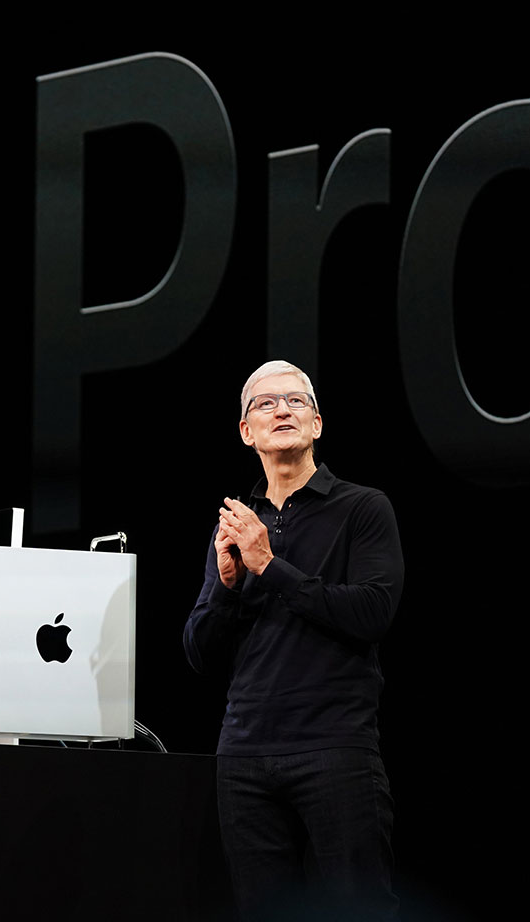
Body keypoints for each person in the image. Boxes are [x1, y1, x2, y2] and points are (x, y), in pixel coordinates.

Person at [183, 360, 403, 921]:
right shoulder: (237, 523)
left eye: (296, 401)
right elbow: (200, 654)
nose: (282, 410)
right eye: (266, 403)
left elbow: (372, 612)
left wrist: (269, 565)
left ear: (319, 424)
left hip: (335, 747)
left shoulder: (362, 507)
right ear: (245, 432)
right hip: (244, 756)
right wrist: (231, 585)